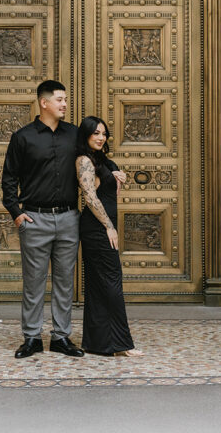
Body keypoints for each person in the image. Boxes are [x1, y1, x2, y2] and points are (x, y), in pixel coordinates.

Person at [1, 79, 85, 360]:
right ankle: (32, 338)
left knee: (64, 282)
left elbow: (94, 160)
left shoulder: (74, 134)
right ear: (44, 103)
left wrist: (113, 172)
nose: (64, 104)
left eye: (65, 99)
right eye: (59, 99)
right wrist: (17, 213)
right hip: (34, 219)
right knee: (34, 281)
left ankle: (61, 337)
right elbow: (9, 178)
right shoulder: (23, 137)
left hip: (69, 218)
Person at [76, 116, 143, 356]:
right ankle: (122, 344)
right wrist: (109, 226)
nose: (100, 137)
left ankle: (98, 343)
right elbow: (89, 197)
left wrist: (118, 177)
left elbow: (109, 194)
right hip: (97, 228)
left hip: (103, 226)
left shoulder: (104, 161)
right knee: (111, 282)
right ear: (86, 135)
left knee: (99, 283)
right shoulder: (84, 160)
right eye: (95, 133)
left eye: (103, 133)